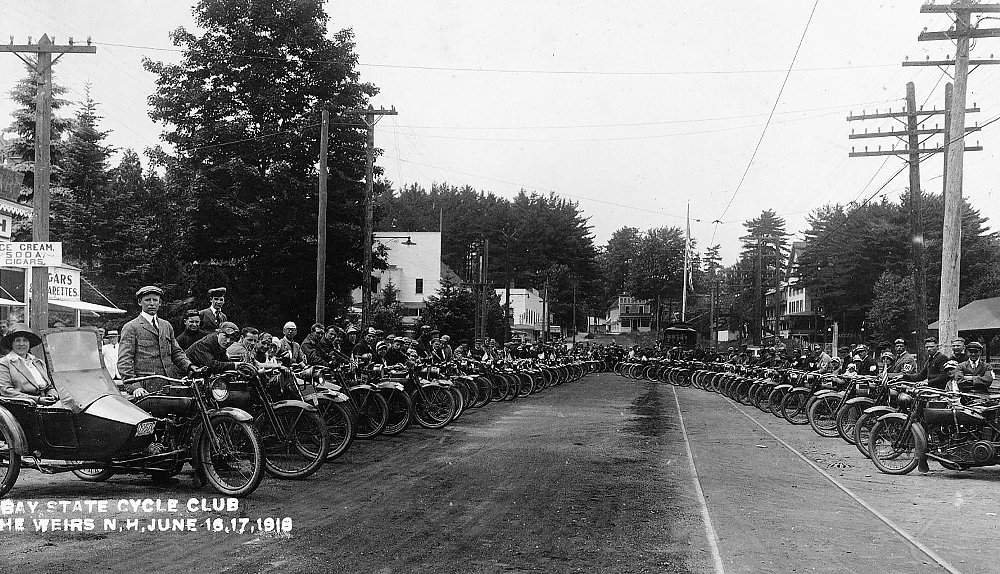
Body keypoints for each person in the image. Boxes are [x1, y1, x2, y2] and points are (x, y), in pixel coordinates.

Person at [118, 286, 195, 398]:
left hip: (170, 384)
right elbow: (124, 362)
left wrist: (190, 366)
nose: (152, 303)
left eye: (155, 300)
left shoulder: (166, 325)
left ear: (160, 303)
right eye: (147, 300)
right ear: (140, 302)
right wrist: (135, 387)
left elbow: (176, 352)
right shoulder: (131, 327)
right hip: (146, 390)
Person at [0, 325, 58, 405]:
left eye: (25, 340)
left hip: (46, 404)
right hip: (22, 406)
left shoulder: (38, 362)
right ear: (11, 344)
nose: (21, 344)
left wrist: (52, 395)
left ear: (29, 343)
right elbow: (6, 391)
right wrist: (38, 399)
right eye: (17, 340)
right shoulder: (4, 363)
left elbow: (50, 386)